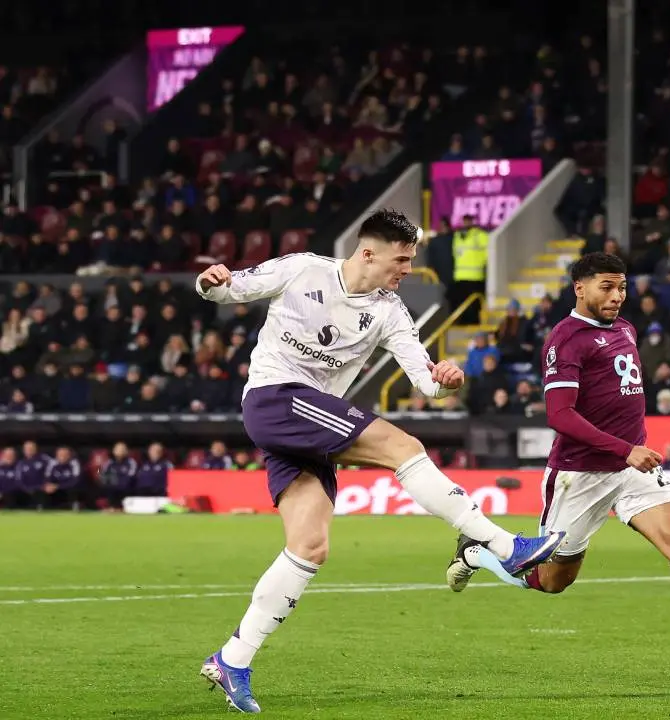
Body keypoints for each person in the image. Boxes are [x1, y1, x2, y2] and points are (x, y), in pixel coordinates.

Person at [194, 208, 565, 713]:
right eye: (402, 258)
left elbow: (423, 376)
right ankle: (506, 545)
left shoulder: (390, 310)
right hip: (276, 397)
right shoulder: (304, 269)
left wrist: (445, 379)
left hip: (309, 424)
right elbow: (227, 288)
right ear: (368, 252)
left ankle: (232, 659)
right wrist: (209, 279)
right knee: (402, 447)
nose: (407, 269)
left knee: (309, 547)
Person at [444, 252, 670, 693]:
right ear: (580, 287)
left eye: (623, 287)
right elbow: (561, 416)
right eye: (607, 287)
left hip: (633, 469)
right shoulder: (565, 339)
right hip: (580, 474)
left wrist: (632, 450)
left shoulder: (626, 329)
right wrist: (624, 449)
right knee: (550, 581)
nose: (617, 296)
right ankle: (476, 553)